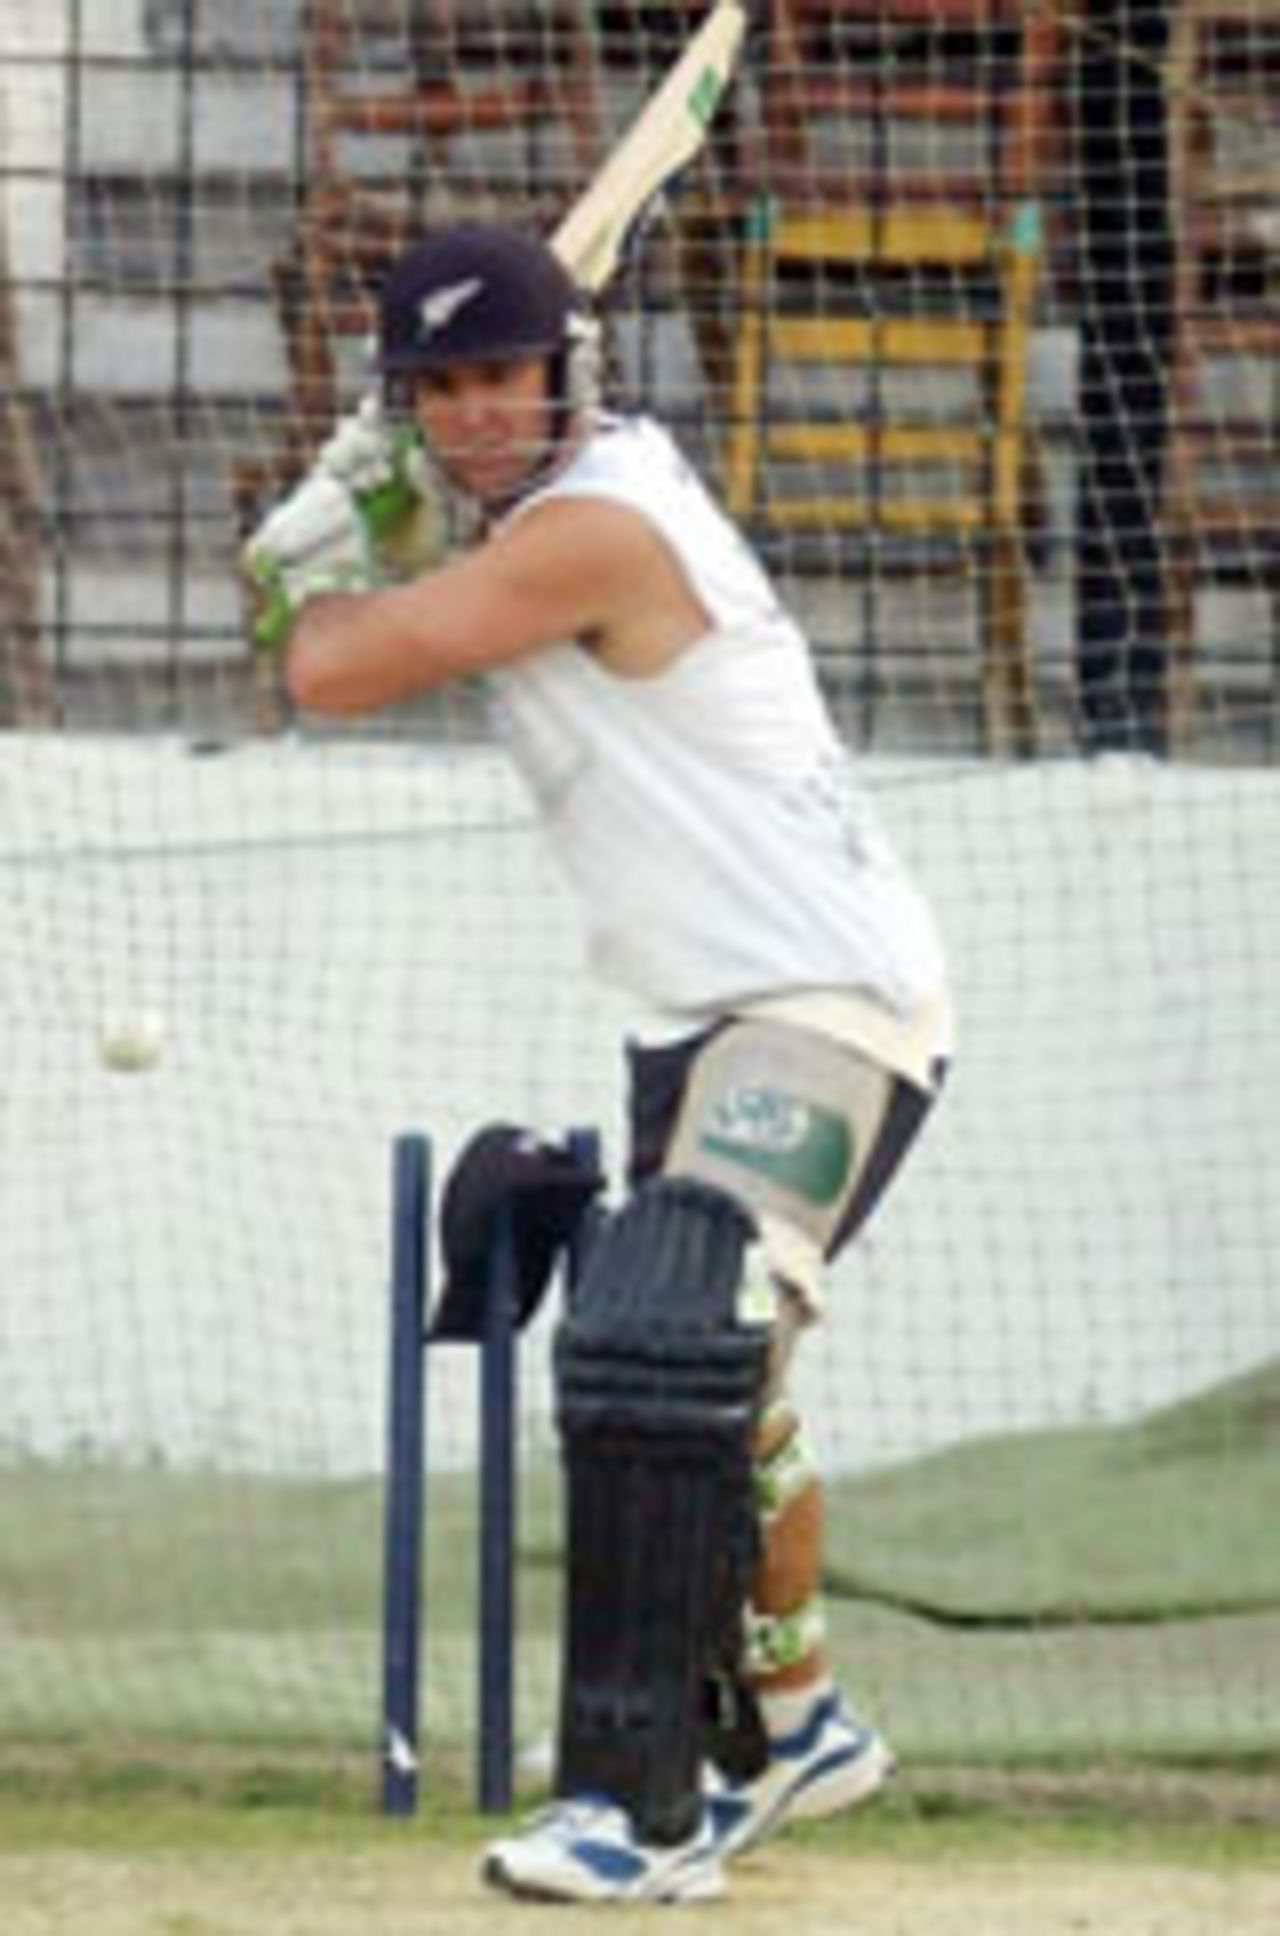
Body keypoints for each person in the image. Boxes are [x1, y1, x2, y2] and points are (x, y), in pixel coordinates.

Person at [245, 221, 952, 1905]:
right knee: (720, 1386)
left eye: (502, 377)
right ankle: (793, 1728)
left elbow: (331, 667)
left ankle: (629, 1812)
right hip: (691, 1021)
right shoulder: (508, 512)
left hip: (822, 998)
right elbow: (348, 628)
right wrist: (361, 528)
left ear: (571, 374)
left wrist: (312, 546)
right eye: (440, 389)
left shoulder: (600, 528)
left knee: (661, 1334)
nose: (476, 413)